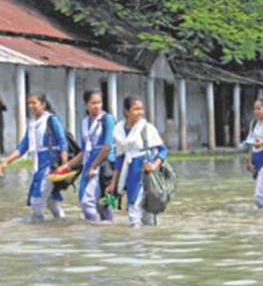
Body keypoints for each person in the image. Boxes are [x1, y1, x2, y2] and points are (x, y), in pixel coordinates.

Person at [0, 93, 68, 220]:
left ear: (43, 104)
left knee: (36, 201)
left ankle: (40, 228)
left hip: (51, 165)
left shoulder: (51, 120)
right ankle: (63, 225)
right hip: (38, 165)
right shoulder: (32, 124)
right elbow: (23, 147)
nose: (31, 106)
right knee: (51, 202)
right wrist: (6, 161)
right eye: (29, 103)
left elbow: (62, 142)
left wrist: (64, 166)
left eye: (34, 103)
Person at [106, 96, 168, 228]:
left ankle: (142, 238)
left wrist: (154, 165)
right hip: (129, 173)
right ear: (126, 111)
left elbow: (163, 151)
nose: (140, 112)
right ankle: (137, 237)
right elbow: (119, 159)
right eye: (136, 109)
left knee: (148, 214)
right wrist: (113, 184)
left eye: (141, 109)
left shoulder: (147, 128)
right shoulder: (118, 130)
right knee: (134, 211)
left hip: (146, 174)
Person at [55, 90, 116, 223]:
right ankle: (105, 229)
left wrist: (93, 167)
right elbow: (84, 151)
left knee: (90, 202)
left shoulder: (108, 120)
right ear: (86, 105)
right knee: (92, 202)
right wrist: (67, 166)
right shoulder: (84, 123)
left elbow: (107, 147)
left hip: (103, 166)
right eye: (93, 103)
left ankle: (99, 227)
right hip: (89, 165)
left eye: (99, 102)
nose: (97, 106)